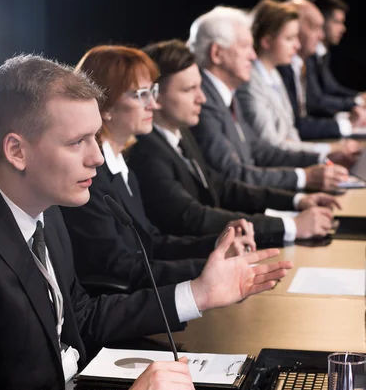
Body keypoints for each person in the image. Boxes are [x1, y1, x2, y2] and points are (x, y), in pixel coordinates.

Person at [0, 54, 291, 390]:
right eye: (76, 141)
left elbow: (79, 315)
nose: (97, 158)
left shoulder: (45, 207)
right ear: (16, 150)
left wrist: (198, 293)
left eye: (95, 137)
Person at [62, 45, 255, 293]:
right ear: (105, 106)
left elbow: (150, 242)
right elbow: (116, 267)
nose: (153, 103)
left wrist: (217, 246)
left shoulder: (122, 166)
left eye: (151, 91)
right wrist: (207, 267)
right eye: (141, 95)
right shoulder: (89, 177)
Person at [127, 39, 341, 247]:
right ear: (156, 97)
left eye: (200, 87)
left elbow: (220, 187)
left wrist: (296, 201)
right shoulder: (146, 151)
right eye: (188, 89)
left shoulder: (179, 130)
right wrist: (290, 226)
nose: (201, 98)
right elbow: (192, 217)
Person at [187, 6, 352, 189]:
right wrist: (304, 177)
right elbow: (233, 174)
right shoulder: (203, 101)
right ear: (217, 53)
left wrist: (321, 158)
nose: (253, 55)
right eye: (244, 47)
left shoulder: (224, 94)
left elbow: (260, 150)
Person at [236, 0, 360, 163]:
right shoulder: (250, 82)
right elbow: (271, 146)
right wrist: (327, 151)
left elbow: (291, 133)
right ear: (266, 41)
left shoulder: (274, 75)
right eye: (289, 38)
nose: (296, 45)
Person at [278, 0, 366, 138]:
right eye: (314, 28)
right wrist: (349, 118)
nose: (320, 36)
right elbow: (301, 120)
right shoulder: (283, 67)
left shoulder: (301, 62)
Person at [309, 0, 366, 103]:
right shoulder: (308, 52)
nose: (343, 29)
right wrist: (356, 101)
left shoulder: (323, 52)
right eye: (337, 22)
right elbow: (315, 101)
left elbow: (331, 87)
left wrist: (359, 97)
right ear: (320, 20)